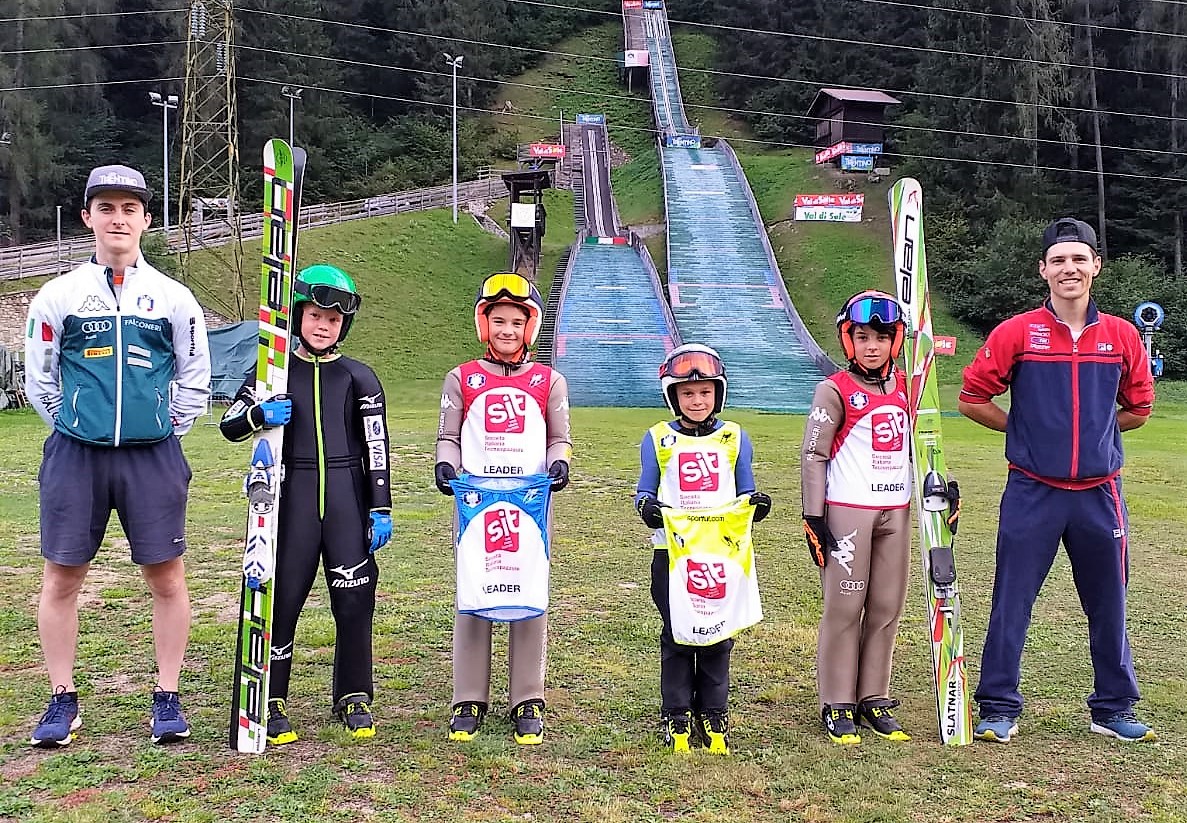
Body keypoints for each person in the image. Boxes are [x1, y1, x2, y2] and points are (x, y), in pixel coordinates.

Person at [23, 164, 211, 747]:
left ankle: (167, 695)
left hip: (152, 458)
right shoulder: (58, 295)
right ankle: (62, 699)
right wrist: (83, 426)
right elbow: (41, 379)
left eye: (129, 208)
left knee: (166, 576)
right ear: (88, 218)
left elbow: (194, 377)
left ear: (146, 219)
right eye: (106, 208)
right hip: (75, 456)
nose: (118, 218)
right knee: (62, 576)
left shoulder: (174, 298)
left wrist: (157, 430)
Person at [959, 218, 1156, 744]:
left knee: (1108, 601)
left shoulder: (1121, 335)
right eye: (1059, 260)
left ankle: (1112, 707)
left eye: (1079, 258)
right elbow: (972, 398)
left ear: (1095, 266)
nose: (1069, 268)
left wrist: (1096, 431)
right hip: (1033, 490)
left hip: (1099, 493)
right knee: (1012, 600)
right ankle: (998, 706)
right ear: (1043, 270)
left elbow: (1139, 407)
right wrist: (1023, 430)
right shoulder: (1016, 333)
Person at [220, 264, 391, 744]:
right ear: (297, 315)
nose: (323, 325)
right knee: (282, 602)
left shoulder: (359, 377)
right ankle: (268, 700)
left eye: (333, 321)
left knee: (355, 603)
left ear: (345, 327)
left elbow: (376, 446)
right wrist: (258, 412)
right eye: (315, 315)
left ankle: (353, 695)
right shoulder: (272, 371)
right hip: (289, 503)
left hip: (346, 502)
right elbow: (230, 425)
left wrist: (381, 506)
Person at [434, 272, 572, 745]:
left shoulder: (548, 381)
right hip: (475, 501)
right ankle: (468, 696)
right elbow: (448, 436)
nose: (507, 330)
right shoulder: (462, 378)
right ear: (484, 324)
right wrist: (445, 466)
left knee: (528, 587)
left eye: (516, 321)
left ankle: (526, 697)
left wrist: (559, 464)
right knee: (475, 588)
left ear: (529, 326)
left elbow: (560, 437)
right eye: (498, 321)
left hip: (531, 501)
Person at [633, 343, 772, 754]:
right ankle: (676, 711)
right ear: (673, 396)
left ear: (718, 394)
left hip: (723, 555)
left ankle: (714, 710)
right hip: (673, 553)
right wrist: (648, 509)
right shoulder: (658, 438)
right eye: (688, 393)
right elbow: (645, 488)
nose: (697, 400)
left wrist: (758, 505)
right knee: (678, 633)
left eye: (705, 392)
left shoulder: (734, 437)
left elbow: (745, 489)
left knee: (717, 634)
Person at [799, 291, 919, 745]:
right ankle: (836, 701)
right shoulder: (834, 389)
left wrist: (941, 484)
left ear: (896, 341)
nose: (872, 346)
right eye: (863, 337)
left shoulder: (909, 386)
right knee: (846, 606)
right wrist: (814, 515)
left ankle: (874, 696)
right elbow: (813, 455)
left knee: (887, 606)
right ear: (849, 341)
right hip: (849, 512)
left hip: (897, 509)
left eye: (882, 338)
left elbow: (924, 441)